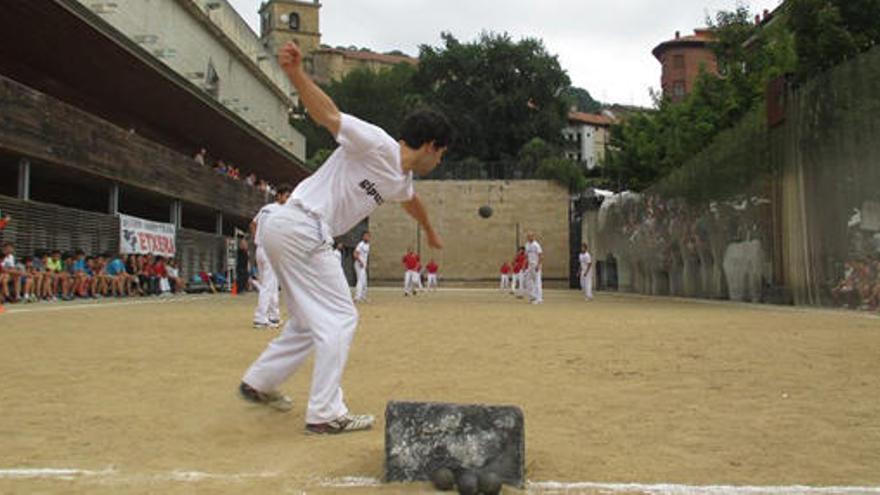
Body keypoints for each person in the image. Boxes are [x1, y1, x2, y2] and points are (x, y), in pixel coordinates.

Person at [238, 41, 451, 435]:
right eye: (440, 155)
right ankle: (325, 412)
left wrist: (430, 230)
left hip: (286, 230)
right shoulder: (376, 142)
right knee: (340, 317)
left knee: (308, 319)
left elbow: (411, 201)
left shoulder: (399, 179)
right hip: (302, 227)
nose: (438, 163)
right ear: (430, 146)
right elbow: (329, 115)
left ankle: (260, 381)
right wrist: (295, 74)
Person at [251, 184, 293, 329]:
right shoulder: (283, 211)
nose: (288, 199)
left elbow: (253, 224)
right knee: (268, 286)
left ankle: (274, 316)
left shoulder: (265, 208)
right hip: (270, 250)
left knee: (271, 284)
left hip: (260, 249)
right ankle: (260, 317)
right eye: (287, 196)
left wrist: (257, 238)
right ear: (279, 196)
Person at [525, 232, 544, 304]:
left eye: (531, 236)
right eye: (528, 236)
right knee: (528, 281)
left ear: (533, 237)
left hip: (536, 265)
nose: (529, 237)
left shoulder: (536, 245)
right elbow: (526, 256)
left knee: (537, 282)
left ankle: (539, 299)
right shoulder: (527, 245)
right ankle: (532, 296)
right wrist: (525, 265)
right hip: (530, 265)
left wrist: (538, 265)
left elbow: (541, 255)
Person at [353, 231, 371, 303]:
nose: (367, 237)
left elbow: (366, 256)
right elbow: (355, 254)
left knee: (365, 282)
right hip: (359, 265)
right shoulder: (361, 244)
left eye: (368, 236)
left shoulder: (368, 245)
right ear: (363, 237)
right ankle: (357, 297)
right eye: (366, 236)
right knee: (360, 281)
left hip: (364, 266)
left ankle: (363, 296)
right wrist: (360, 261)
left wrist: (366, 264)